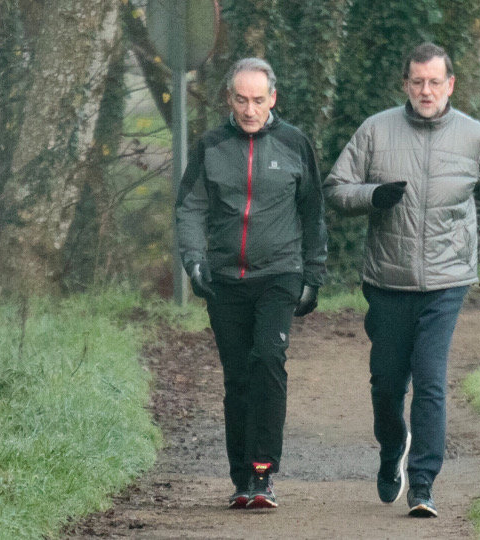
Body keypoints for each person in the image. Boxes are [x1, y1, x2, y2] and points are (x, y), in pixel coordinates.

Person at [323, 42, 480, 518]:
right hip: (387, 280)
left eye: (434, 82)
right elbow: (336, 189)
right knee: (387, 385)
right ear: (406, 84)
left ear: (450, 85)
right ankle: (392, 448)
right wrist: (373, 196)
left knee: (430, 381)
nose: (426, 90)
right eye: (417, 81)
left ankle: (423, 484)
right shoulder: (375, 131)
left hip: (447, 282)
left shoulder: (473, 137)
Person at [175, 57, 327, 509]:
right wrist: (194, 262)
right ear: (229, 99)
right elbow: (189, 208)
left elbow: (313, 212)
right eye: (241, 99)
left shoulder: (295, 144)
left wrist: (313, 275)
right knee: (238, 377)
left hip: (278, 274)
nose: (249, 109)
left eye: (258, 100)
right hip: (225, 279)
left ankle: (264, 471)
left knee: (268, 360)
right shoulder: (211, 146)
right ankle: (241, 477)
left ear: (273, 99)